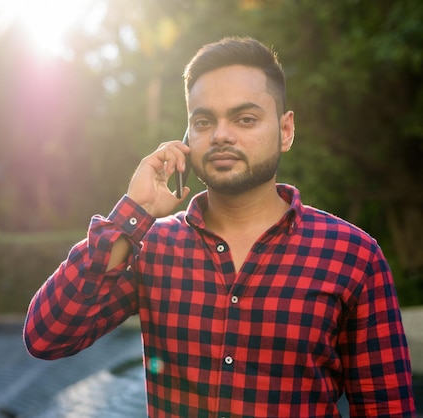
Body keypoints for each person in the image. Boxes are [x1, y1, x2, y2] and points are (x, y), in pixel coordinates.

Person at [23, 36, 416, 417]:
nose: (222, 135)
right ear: (187, 136)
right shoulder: (153, 246)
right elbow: (48, 336)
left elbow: (387, 407)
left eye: (245, 119)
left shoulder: (353, 255)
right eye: (205, 121)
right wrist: (135, 211)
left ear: (285, 130)